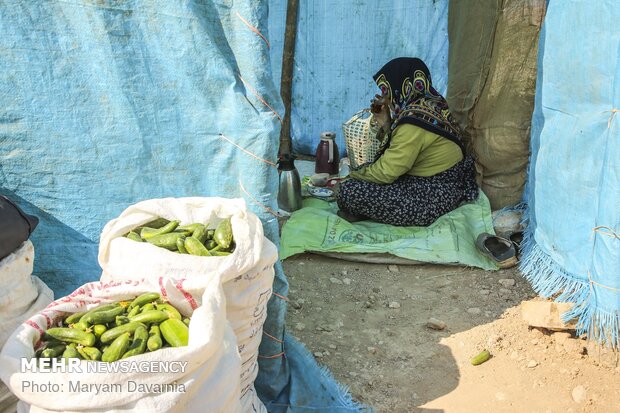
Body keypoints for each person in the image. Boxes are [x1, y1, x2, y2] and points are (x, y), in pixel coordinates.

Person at [336, 57, 478, 226]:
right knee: (363, 174)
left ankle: (367, 211)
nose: (384, 98)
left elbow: (387, 172)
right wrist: (387, 123)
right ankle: (368, 211)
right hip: (444, 184)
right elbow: (400, 154)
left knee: (349, 191)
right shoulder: (432, 103)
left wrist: (349, 177)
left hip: (432, 196)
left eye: (386, 91)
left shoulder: (412, 121)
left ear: (400, 88)